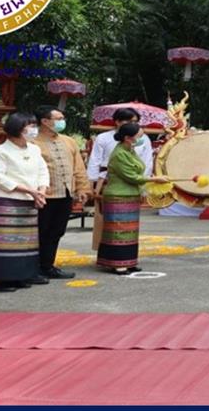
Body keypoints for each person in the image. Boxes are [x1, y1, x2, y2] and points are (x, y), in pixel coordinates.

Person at [0, 112, 50, 292]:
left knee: (25, 243)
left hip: (30, 200)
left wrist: (41, 191)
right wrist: (30, 191)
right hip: (7, 201)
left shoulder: (34, 149)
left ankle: (19, 276)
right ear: (17, 129)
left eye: (33, 125)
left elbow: (43, 171)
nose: (33, 130)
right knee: (5, 242)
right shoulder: (1, 150)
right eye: (29, 126)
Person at [96, 122, 168, 275]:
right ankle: (116, 263)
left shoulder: (130, 150)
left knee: (130, 231)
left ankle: (129, 261)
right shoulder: (119, 154)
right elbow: (131, 176)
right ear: (128, 138)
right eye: (139, 136)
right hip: (118, 196)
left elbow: (139, 171)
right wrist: (154, 180)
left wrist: (150, 179)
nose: (142, 139)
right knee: (118, 230)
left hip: (131, 195)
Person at [34, 105, 92, 280]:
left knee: (57, 231)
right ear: (44, 121)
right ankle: (33, 267)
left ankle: (48, 266)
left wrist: (82, 188)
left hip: (65, 193)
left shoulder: (68, 141)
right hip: (43, 195)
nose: (62, 122)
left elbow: (78, 167)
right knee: (39, 232)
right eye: (58, 119)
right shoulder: (32, 142)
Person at [87, 107, 154, 250]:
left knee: (128, 223)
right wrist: (90, 185)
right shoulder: (104, 138)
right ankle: (107, 252)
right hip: (107, 180)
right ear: (117, 122)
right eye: (128, 121)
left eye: (135, 121)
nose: (132, 124)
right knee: (106, 221)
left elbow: (147, 162)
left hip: (135, 182)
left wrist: (144, 186)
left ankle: (124, 254)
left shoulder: (142, 138)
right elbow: (95, 161)